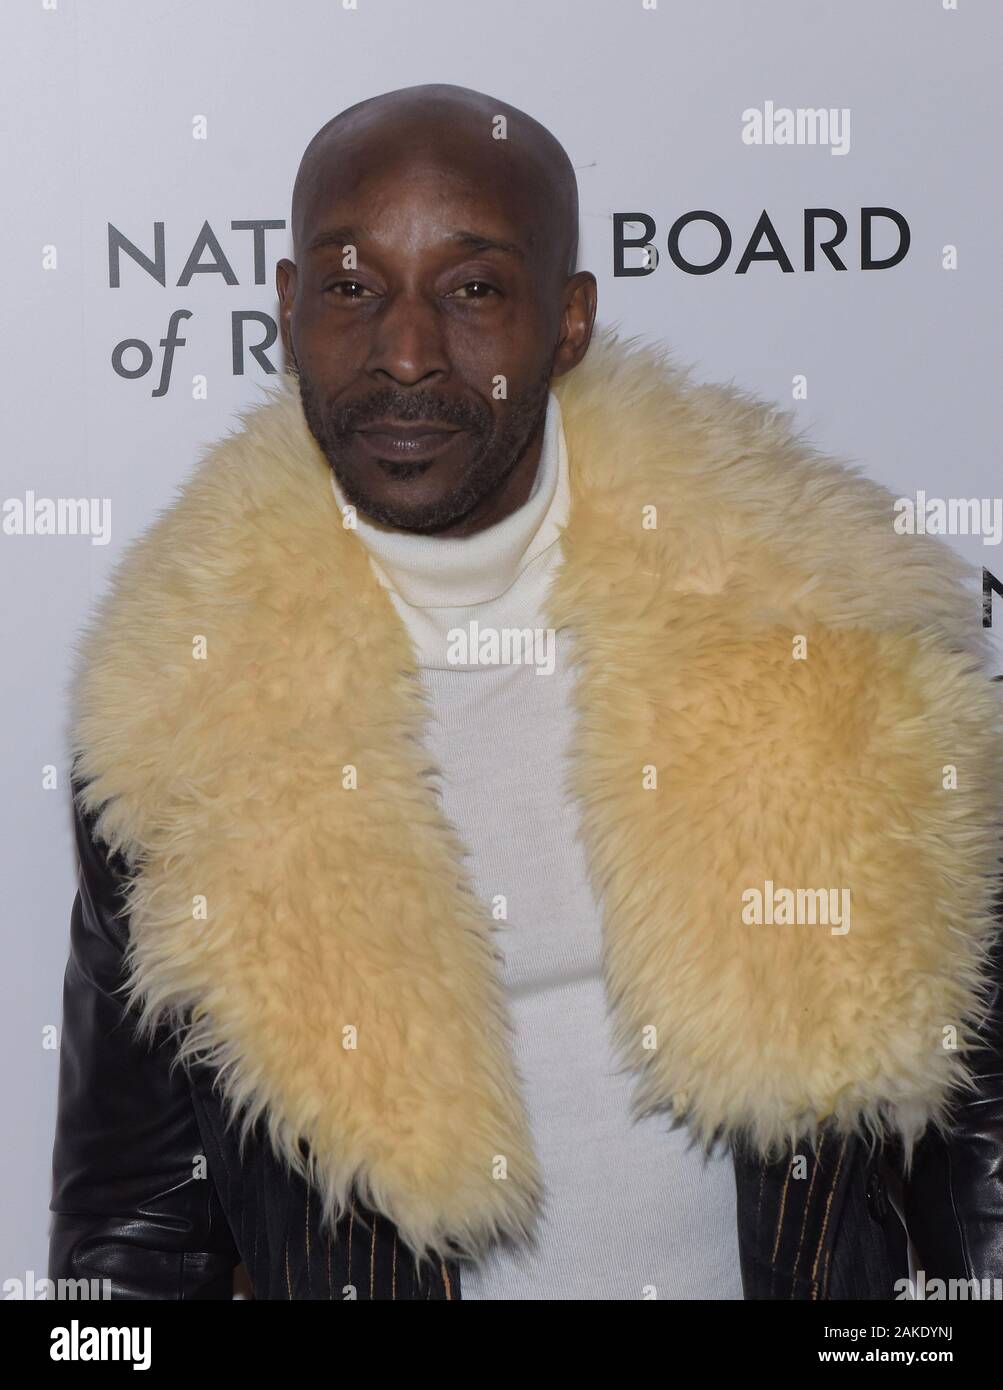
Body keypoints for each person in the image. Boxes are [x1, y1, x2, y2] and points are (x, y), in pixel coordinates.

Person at [49, 83, 1003, 1301]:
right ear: (288, 310)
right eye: (350, 286)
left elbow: (972, 1126)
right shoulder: (168, 722)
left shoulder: (830, 631)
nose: (406, 353)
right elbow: (135, 1231)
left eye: (474, 289)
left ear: (568, 321)